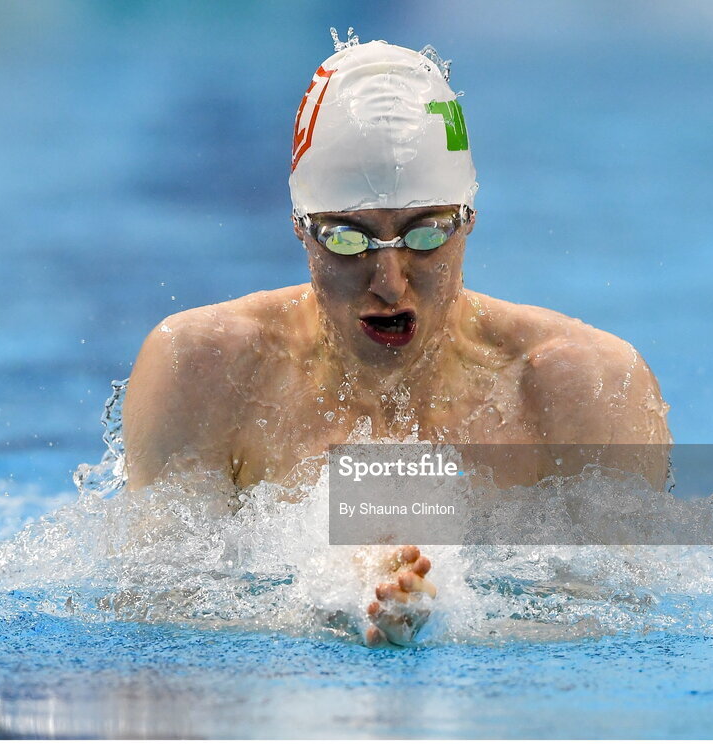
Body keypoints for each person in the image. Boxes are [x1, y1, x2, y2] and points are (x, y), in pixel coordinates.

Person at [122, 38, 671, 646]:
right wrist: (331, 604)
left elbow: (622, 629)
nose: (389, 282)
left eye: (426, 236)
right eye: (350, 241)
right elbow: (155, 613)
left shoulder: (585, 387)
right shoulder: (205, 368)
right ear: (301, 231)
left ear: (468, 221)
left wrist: (449, 619)